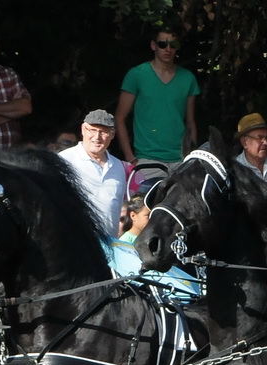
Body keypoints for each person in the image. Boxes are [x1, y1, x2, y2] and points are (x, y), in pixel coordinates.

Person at [116, 26, 200, 178]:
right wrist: (131, 159)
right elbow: (120, 117)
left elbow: (191, 122)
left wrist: (191, 157)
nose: (168, 49)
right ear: (153, 45)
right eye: (162, 44)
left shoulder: (188, 78)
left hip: (181, 160)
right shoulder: (137, 75)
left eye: (173, 45)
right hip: (146, 160)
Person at [60, 108, 133, 238]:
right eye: (92, 130)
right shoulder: (65, 160)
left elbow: (117, 207)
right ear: (83, 129)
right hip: (74, 241)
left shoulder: (118, 166)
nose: (97, 137)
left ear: (112, 135)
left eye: (103, 132)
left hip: (109, 242)